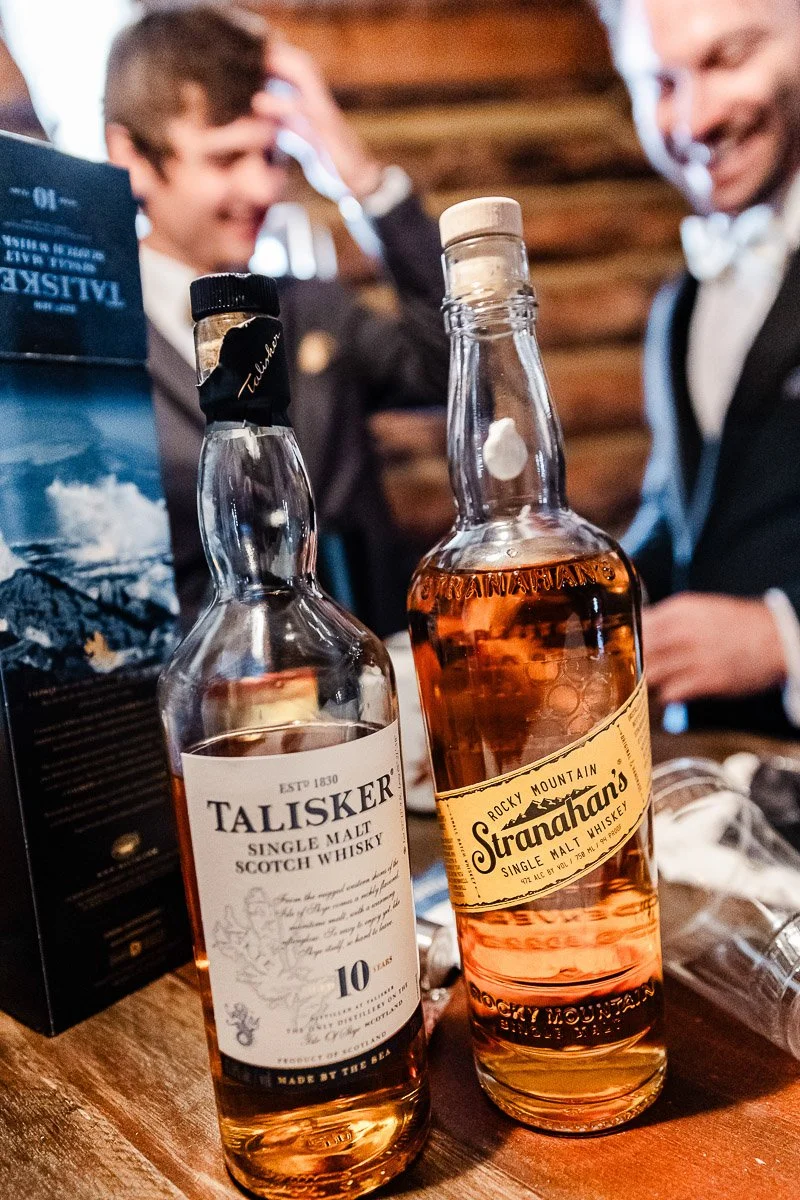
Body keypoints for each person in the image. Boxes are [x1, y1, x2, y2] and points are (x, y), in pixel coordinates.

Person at [103, 6, 447, 635]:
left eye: (272, 156)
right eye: (227, 159)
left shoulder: (314, 307)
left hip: (365, 683)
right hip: (199, 713)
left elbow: (451, 366)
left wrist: (363, 179)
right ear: (130, 156)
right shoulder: (94, 342)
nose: (264, 188)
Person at [593, 0, 800, 735]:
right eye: (662, 83)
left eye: (727, 58)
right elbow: (686, 510)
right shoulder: (681, 301)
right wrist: (587, 597)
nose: (695, 119)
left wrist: (783, 639)